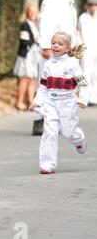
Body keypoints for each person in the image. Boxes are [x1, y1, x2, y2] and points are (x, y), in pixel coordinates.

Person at [33, 0, 83, 135]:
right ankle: (39, 120)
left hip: (65, 51)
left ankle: (56, 120)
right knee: (47, 84)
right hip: (53, 50)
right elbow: (46, 23)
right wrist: (46, 46)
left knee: (61, 85)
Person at [29, 32, 88, 174]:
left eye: (60, 44)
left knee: (68, 133)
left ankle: (79, 140)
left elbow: (83, 84)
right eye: (53, 43)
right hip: (51, 102)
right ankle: (47, 164)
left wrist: (82, 99)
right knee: (50, 131)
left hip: (68, 102)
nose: (56, 45)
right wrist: (37, 102)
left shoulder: (73, 64)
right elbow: (43, 86)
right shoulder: (48, 64)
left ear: (67, 48)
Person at [13, 3, 42, 110]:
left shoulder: (36, 25)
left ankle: (31, 102)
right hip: (26, 56)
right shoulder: (25, 25)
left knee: (32, 79)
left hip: (34, 56)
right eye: (30, 11)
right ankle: (19, 102)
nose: (33, 14)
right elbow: (24, 40)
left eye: (35, 11)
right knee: (25, 78)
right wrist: (34, 40)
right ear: (27, 13)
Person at [78, 0, 97, 105]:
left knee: (96, 74)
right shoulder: (83, 17)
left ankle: (94, 97)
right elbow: (79, 34)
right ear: (88, 6)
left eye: (95, 5)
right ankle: (84, 97)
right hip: (86, 49)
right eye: (91, 5)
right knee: (85, 73)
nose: (93, 8)